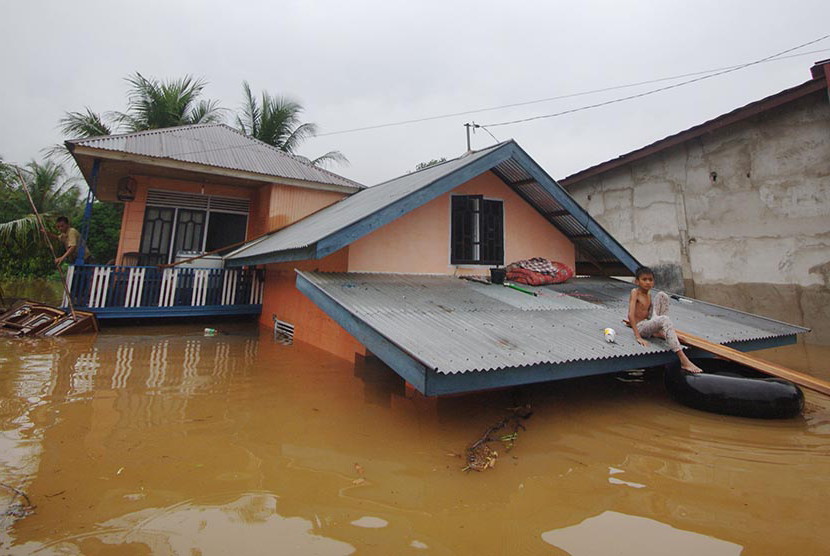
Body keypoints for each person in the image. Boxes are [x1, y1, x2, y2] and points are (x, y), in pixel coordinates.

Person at [627, 266, 702, 373]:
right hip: (640, 327)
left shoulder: (648, 294)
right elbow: (630, 315)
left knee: (662, 295)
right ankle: (683, 359)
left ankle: (660, 331)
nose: (648, 282)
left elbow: (648, 314)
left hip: (647, 323)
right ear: (637, 281)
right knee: (664, 319)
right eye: (644, 279)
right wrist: (638, 337)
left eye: (650, 280)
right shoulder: (635, 292)